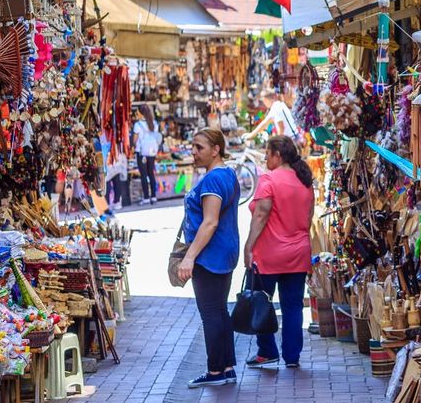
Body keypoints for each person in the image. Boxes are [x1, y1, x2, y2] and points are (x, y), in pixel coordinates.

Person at [242, 136, 315, 369]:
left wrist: (248, 246)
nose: (265, 158)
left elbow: (261, 214)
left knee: (261, 301)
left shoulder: (269, 179)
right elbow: (308, 217)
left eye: (267, 154)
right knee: (293, 306)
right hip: (298, 252)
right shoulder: (305, 181)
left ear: (278, 155)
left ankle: (266, 351)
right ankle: (292, 356)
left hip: (269, 253)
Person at [177, 129, 241, 387]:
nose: (194, 152)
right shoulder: (227, 174)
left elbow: (210, 222)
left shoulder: (214, 179)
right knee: (219, 310)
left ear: (215, 150)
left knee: (211, 312)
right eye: (193, 146)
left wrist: (189, 257)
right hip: (224, 251)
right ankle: (226, 367)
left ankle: (215, 371)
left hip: (210, 255)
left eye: (199, 147)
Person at [132, 106, 163, 205]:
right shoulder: (154, 124)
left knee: (144, 175)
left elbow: (134, 140)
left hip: (142, 153)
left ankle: (146, 198)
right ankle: (153, 196)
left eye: (138, 112)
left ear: (141, 113)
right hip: (152, 152)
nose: (137, 114)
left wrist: (134, 146)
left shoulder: (137, 125)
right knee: (151, 174)